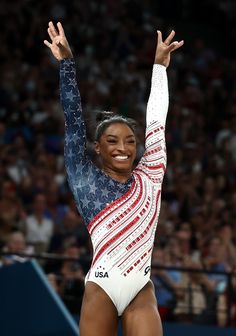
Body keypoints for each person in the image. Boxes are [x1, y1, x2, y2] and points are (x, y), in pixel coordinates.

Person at [44, 21, 183, 336]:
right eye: (112, 141)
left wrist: (159, 66)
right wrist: (66, 63)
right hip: (102, 289)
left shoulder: (151, 174)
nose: (123, 147)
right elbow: (73, 119)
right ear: (98, 148)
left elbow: (157, 118)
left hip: (140, 288)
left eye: (131, 141)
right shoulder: (85, 178)